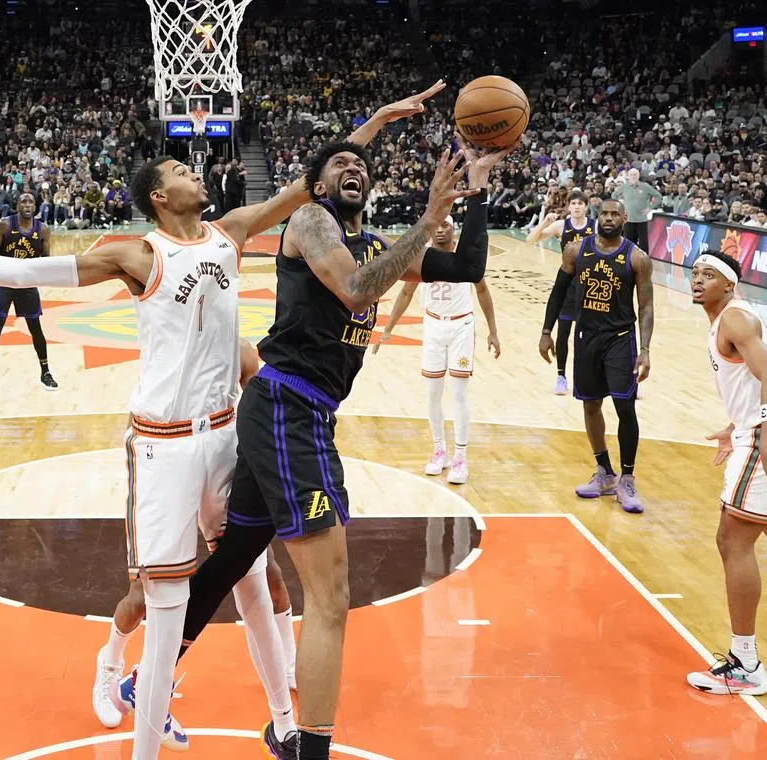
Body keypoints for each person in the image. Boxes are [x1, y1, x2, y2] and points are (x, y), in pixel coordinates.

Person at [0, 81, 449, 760]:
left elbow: (319, 175)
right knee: (158, 612)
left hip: (225, 436)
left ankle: (284, 724)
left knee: (261, 582)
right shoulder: (137, 255)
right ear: (160, 195)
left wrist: (381, 120)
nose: (195, 170)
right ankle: (132, 717)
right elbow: (25, 266)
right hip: (161, 450)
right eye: (181, 169)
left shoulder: (231, 232)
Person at [126, 140, 509, 760]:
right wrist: (431, 214)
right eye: (337, 163)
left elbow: (466, 267)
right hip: (287, 409)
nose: (352, 166)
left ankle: (145, 678)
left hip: (295, 415)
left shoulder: (380, 247)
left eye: (361, 163)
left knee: (231, 561)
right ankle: (307, 751)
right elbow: (357, 291)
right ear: (319, 185)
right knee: (331, 597)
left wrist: (476, 195)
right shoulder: (308, 222)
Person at [91, 339, 300, 731]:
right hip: (169, 460)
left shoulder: (236, 349)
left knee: (259, 577)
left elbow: (257, 402)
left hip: (220, 453)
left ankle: (284, 720)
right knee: (144, 598)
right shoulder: (168, 352)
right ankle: (111, 664)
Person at [539, 199, 654, 513]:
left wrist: (644, 350)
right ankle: (604, 472)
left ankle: (627, 478)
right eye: (603, 213)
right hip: (585, 337)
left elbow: (645, 307)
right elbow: (558, 292)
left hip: (620, 340)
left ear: (624, 218)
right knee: (590, 404)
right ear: (596, 217)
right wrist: (547, 331)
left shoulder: (637, 258)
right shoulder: (575, 251)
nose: (608, 218)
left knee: (624, 406)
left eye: (614, 213)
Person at [686, 252, 767, 696]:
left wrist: (760, 429)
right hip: (749, 430)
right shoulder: (730, 319)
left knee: (732, 538)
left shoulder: (735, 320)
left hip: (760, 437)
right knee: (740, 537)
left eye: (709, 275)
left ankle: (746, 665)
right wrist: (734, 425)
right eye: (696, 273)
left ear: (729, 285)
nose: (698, 280)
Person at [373, 214, 500, 484]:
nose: (441, 230)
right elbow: (406, 293)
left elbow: (483, 291)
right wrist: (387, 328)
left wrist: (493, 331)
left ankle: (461, 456)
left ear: (455, 231)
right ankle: (439, 449)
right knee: (432, 393)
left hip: (461, 327)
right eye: (437, 226)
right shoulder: (422, 259)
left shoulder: (466, 258)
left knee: (459, 393)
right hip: (433, 326)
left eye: (447, 226)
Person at [0, 193, 58, 401]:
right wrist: (11, 267)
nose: (28, 205)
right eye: (24, 201)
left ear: (35, 206)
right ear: (17, 205)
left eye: (31, 202)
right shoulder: (4, 225)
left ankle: (45, 372)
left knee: (36, 330)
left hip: (27, 285)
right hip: (4, 284)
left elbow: (46, 261)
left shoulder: (43, 230)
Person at [527, 191, 595, 394]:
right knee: (563, 333)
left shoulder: (596, 226)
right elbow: (531, 239)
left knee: (590, 335)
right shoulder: (561, 226)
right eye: (573, 203)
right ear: (568, 206)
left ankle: (590, 376)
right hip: (569, 283)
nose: (576, 207)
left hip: (590, 284)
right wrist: (543, 221)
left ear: (585, 207)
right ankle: (561, 376)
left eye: (580, 204)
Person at [612, 168, 661, 252]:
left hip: (642, 219)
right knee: (629, 242)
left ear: (638, 176)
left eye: (635, 174)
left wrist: (650, 207)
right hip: (628, 219)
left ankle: (644, 260)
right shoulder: (624, 187)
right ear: (628, 176)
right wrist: (620, 206)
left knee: (643, 243)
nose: (633, 176)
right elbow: (614, 195)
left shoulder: (645, 186)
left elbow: (658, 196)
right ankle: (629, 259)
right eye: (631, 174)